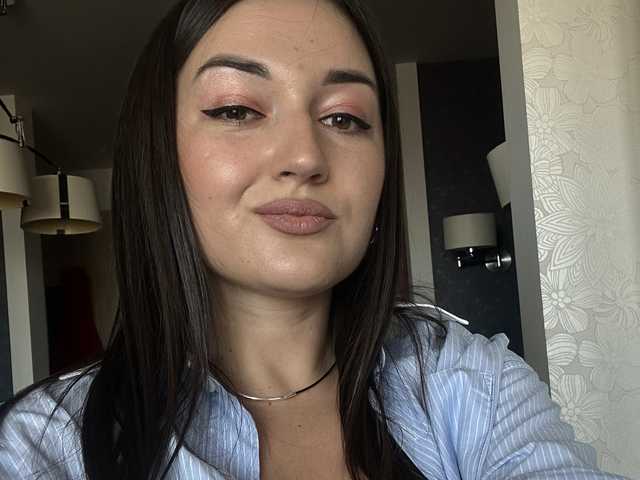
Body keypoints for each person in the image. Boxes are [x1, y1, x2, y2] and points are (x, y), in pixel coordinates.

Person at [0, 0, 629, 479]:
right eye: (237, 109)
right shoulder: (45, 445)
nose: (305, 156)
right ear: (157, 152)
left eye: (344, 118)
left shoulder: (468, 382)